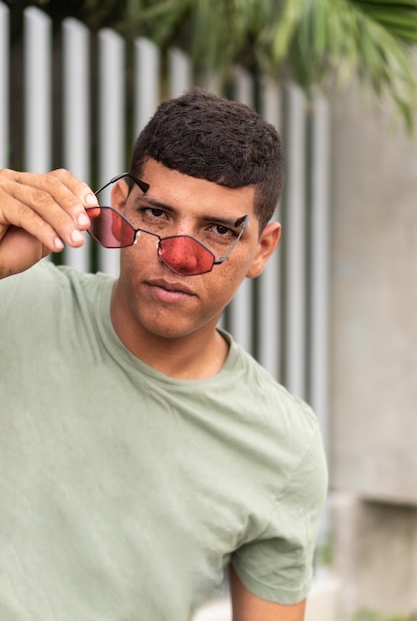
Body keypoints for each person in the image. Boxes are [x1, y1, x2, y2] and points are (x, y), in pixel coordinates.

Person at [0, 87, 327, 620]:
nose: (177, 255)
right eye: (155, 213)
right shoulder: (10, 298)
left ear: (261, 250)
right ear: (122, 204)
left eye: (218, 229)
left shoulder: (284, 445)